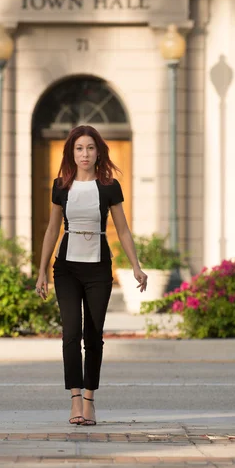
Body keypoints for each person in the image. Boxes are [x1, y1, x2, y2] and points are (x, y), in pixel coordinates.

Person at [35, 125, 148, 426]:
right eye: (79, 149)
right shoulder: (61, 185)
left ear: (99, 152)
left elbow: (122, 229)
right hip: (67, 267)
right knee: (71, 333)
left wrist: (136, 265)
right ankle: (74, 402)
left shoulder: (109, 186)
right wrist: (42, 270)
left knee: (94, 336)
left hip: (99, 268)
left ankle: (89, 401)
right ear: (72, 153)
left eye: (90, 148)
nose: (84, 154)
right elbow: (51, 229)